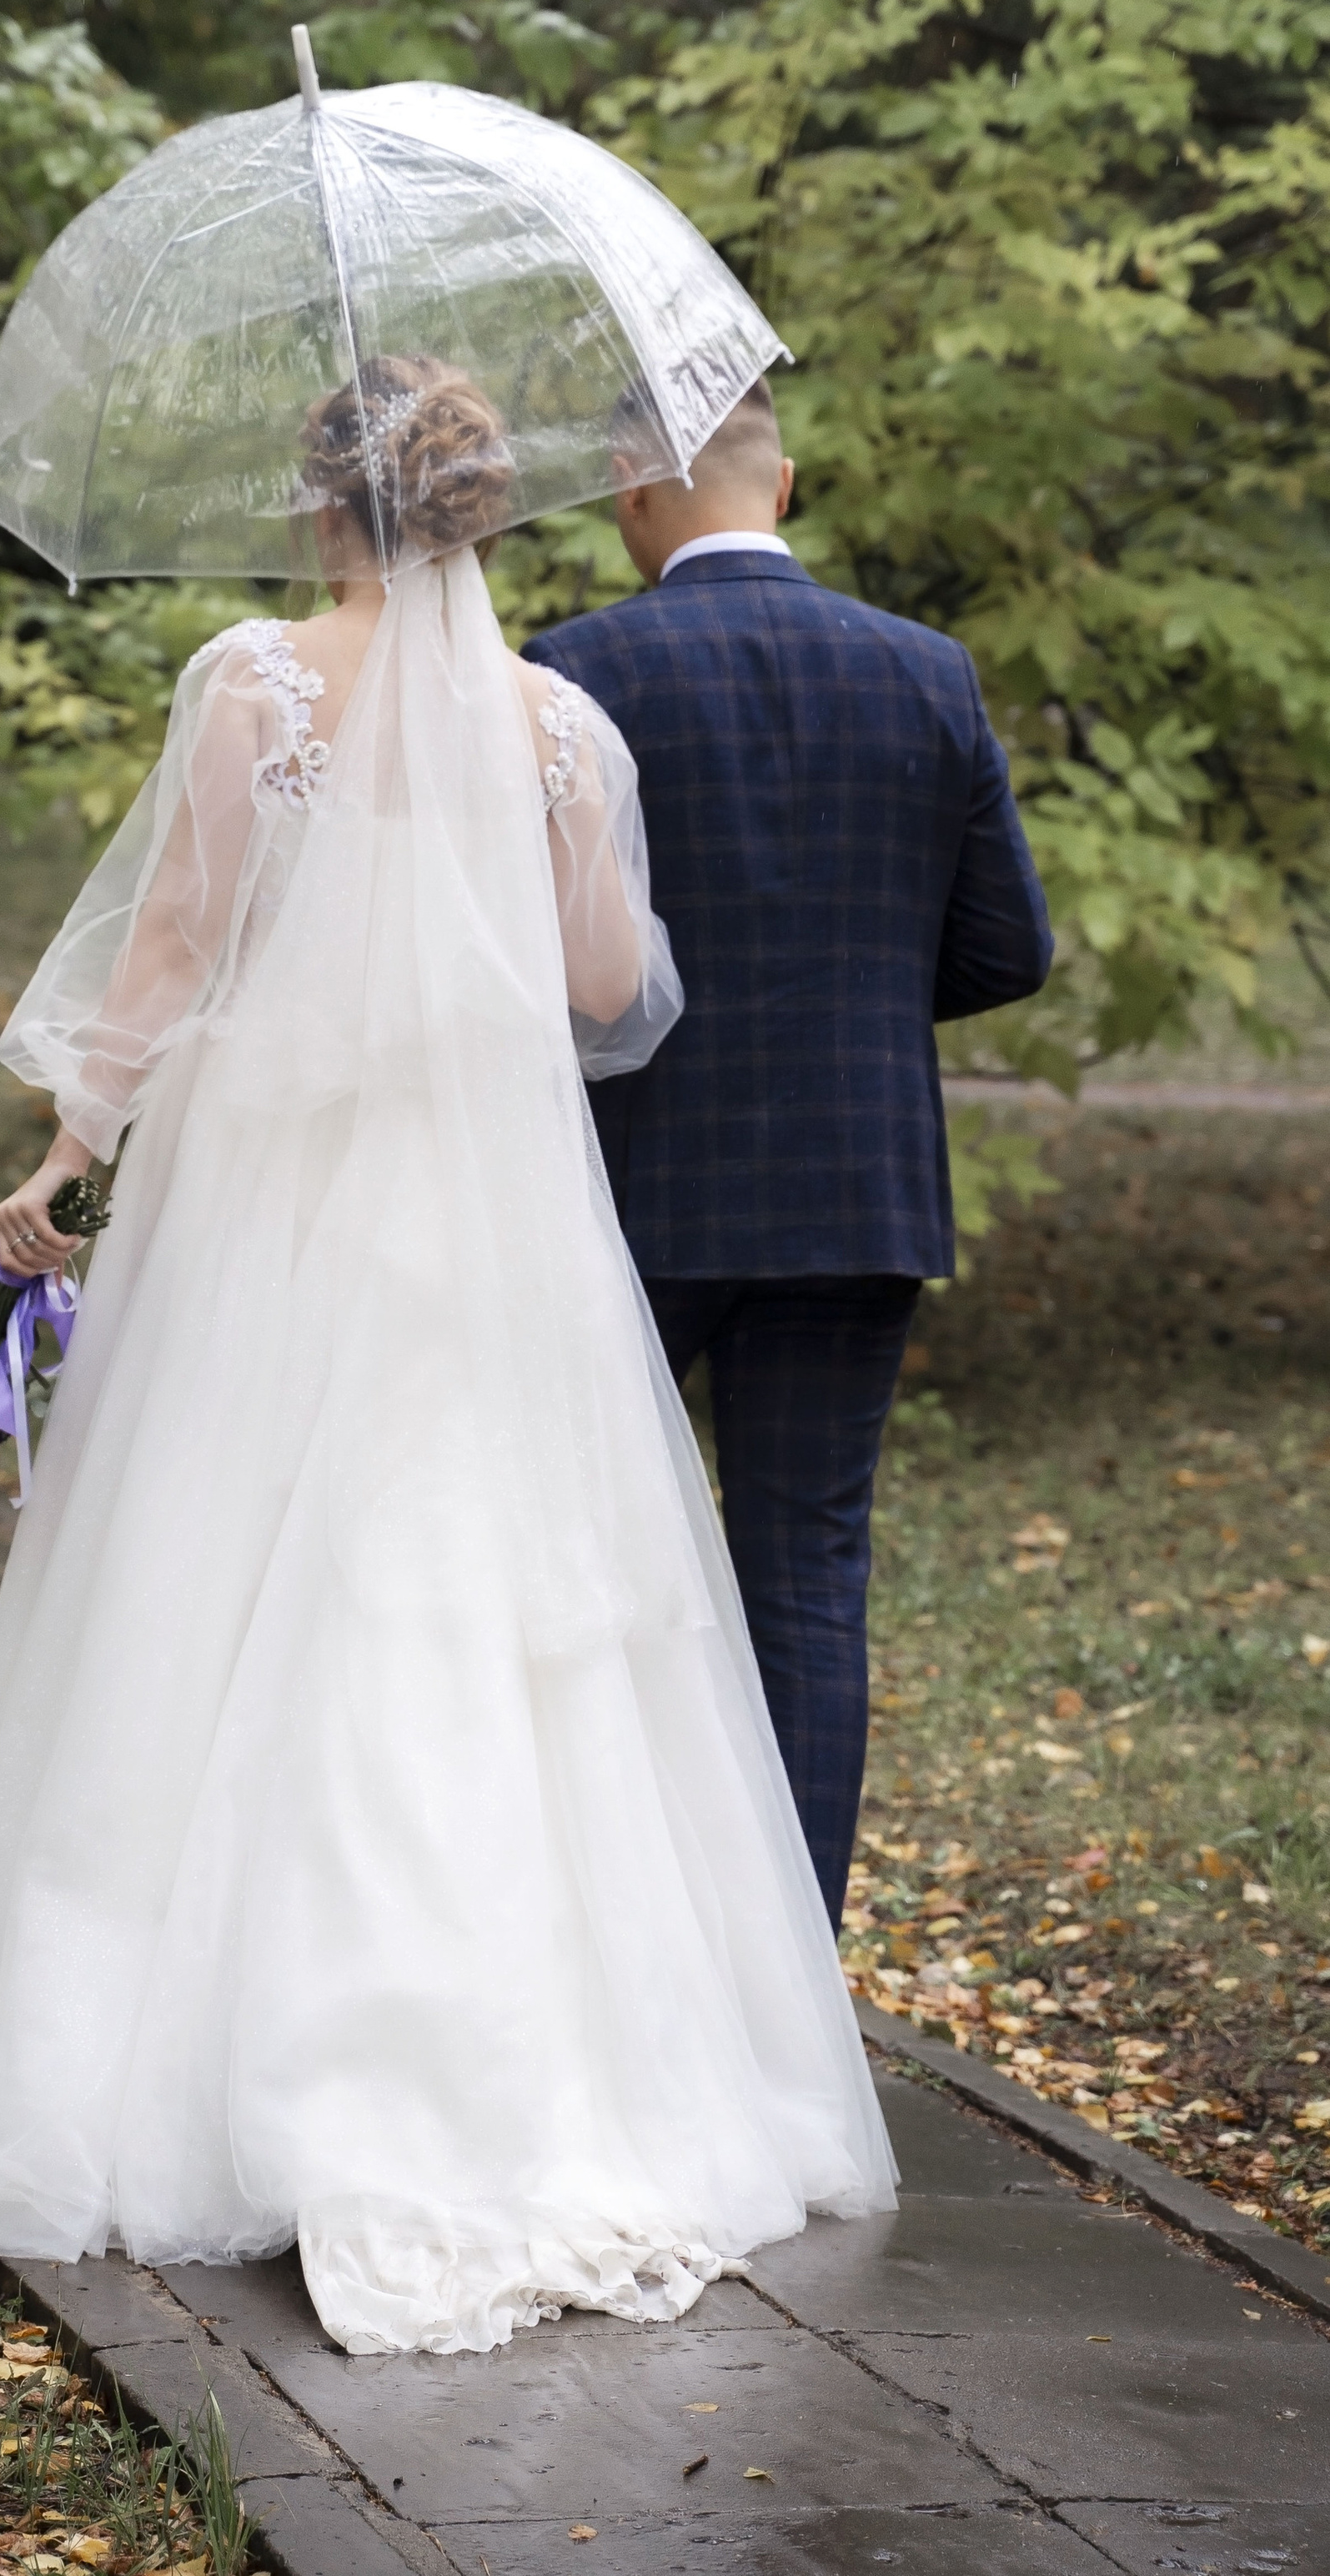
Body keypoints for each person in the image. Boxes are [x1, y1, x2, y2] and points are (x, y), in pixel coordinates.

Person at [0, 355, 896, 2358]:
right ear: (484, 511)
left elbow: (172, 947)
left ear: (321, 500)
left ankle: (196, 2063)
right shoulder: (559, 720)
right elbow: (607, 983)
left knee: (215, 1577)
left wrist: (68, 1157)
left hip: (267, 1201)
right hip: (487, 1225)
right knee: (484, 1594)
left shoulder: (256, 685)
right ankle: (522, 2065)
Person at [523, 381, 1053, 1930]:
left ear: (633, 495)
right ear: (789, 483)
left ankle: (607, 1933)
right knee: (810, 1582)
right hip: (855, 1185)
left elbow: (523, 949)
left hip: (635, 1190)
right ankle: (791, 1970)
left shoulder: (576, 671)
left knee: (581, 1552)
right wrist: (860, 994)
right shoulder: (928, 670)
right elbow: (1010, 946)